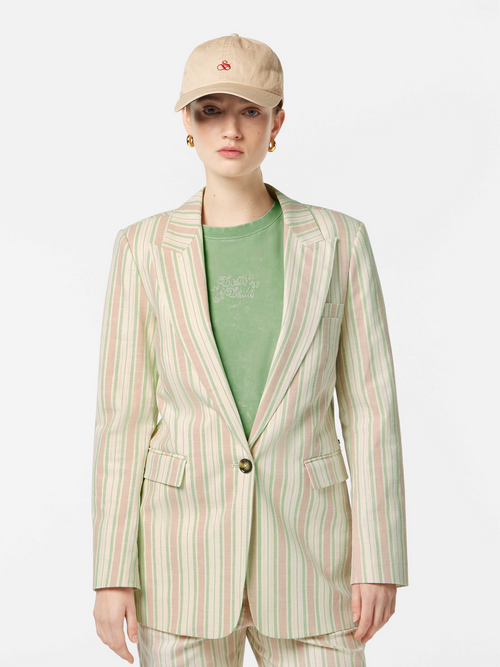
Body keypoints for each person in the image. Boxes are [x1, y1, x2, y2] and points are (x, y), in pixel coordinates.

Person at [91, 33, 408, 666]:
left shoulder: (339, 241)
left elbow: (371, 410)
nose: (230, 129)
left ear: (277, 123)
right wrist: (111, 571)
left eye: (250, 111)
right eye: (211, 110)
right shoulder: (142, 248)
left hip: (312, 557)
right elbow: (122, 420)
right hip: (178, 561)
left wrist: (379, 558)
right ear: (187, 123)